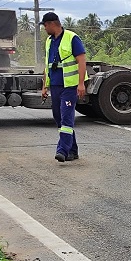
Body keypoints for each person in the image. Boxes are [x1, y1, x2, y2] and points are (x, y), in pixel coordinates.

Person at [40, 12, 88, 162]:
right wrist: (44, 86)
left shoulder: (72, 38)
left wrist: (81, 84)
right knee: (58, 117)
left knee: (66, 116)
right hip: (55, 85)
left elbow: (82, 61)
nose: (45, 28)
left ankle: (62, 150)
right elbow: (47, 65)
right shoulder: (49, 41)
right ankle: (73, 151)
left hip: (70, 85)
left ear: (52, 23)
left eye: (45, 25)